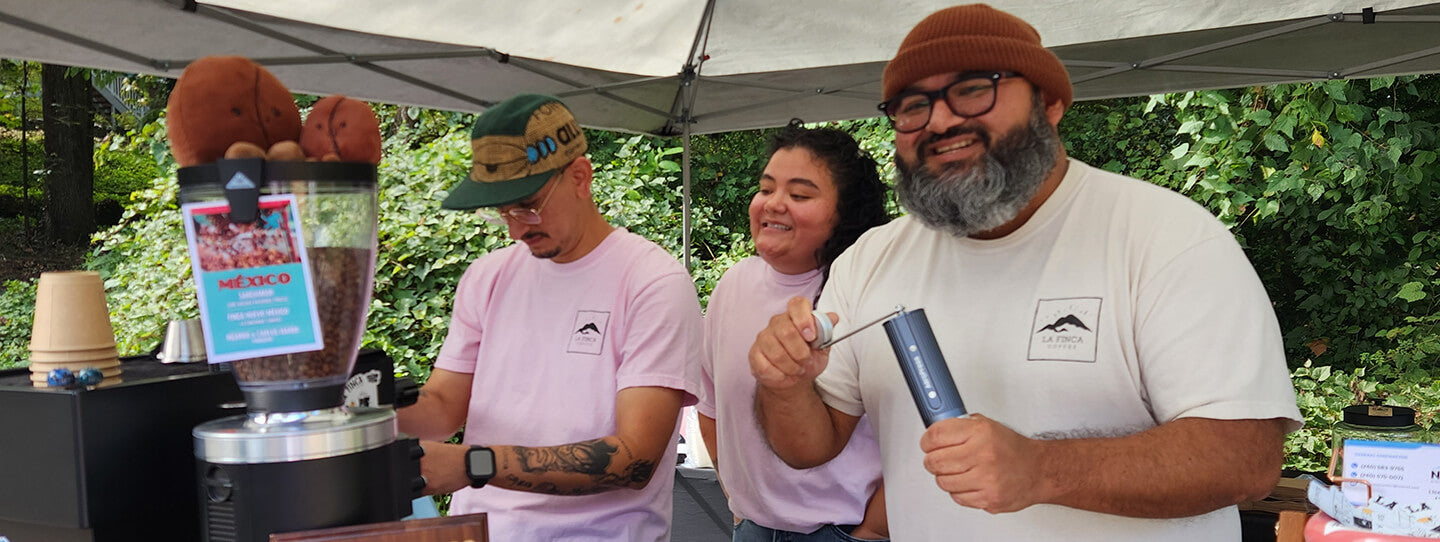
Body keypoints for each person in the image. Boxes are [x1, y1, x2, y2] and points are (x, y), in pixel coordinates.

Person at [748, 5, 1304, 541]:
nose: (940, 120)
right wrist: (785, 387)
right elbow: (810, 447)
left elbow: (1244, 459)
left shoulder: (1165, 238)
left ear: (1050, 103)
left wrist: (1042, 469)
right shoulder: (873, 258)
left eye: (973, 89)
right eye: (912, 105)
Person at [397, 94, 702, 541]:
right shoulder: (488, 276)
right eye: (503, 211)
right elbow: (443, 408)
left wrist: (472, 464)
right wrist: (358, 408)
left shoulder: (653, 283)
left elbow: (635, 459)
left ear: (580, 177)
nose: (517, 228)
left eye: (528, 205)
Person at [695, 123, 892, 541]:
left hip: (842, 530)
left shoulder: (875, 291)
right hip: (751, 528)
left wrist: (872, 530)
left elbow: (915, 429)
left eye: (799, 194)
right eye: (766, 189)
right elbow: (710, 403)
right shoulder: (733, 284)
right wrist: (737, 502)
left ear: (846, 212)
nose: (774, 204)